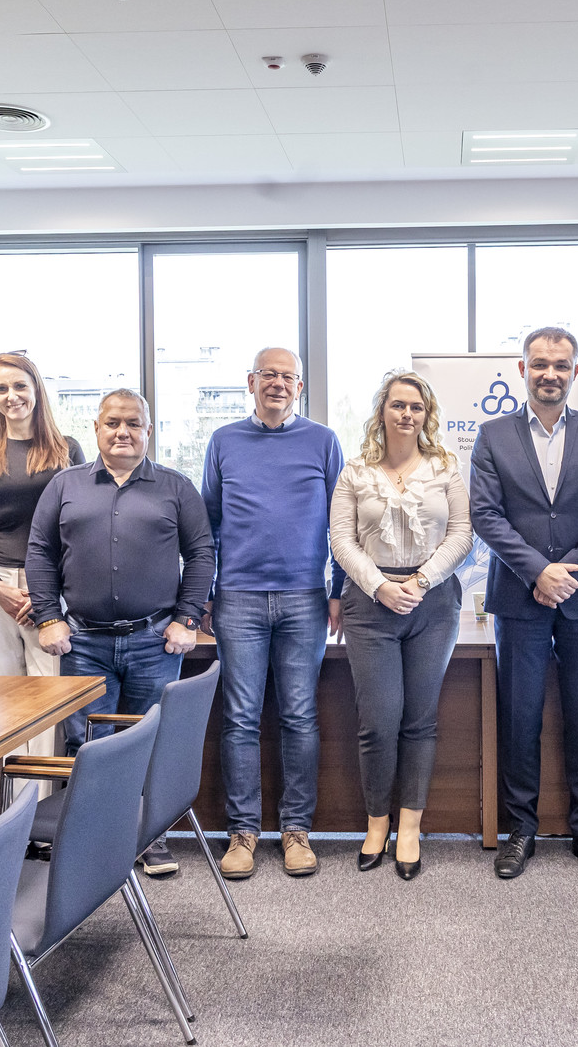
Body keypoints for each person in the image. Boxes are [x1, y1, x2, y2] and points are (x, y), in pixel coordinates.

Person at [26, 389, 214, 876]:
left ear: (148, 430)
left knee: (148, 741)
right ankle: (92, 842)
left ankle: (148, 839)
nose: (122, 432)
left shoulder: (175, 487)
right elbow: (40, 552)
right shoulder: (65, 486)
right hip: (82, 642)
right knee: (87, 746)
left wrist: (188, 619)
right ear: (96, 428)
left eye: (133, 423)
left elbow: (201, 553)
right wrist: (47, 616)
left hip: (155, 640)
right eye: (112, 423)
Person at [470, 326, 578, 881]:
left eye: (561, 365)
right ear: (523, 369)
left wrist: (566, 574)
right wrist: (538, 570)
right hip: (519, 597)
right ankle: (521, 829)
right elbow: (486, 514)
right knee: (520, 717)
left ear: (575, 371)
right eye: (539, 364)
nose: (550, 374)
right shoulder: (493, 436)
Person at [201, 347, 344, 880]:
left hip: (305, 597)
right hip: (237, 598)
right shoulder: (223, 441)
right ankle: (243, 832)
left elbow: (343, 524)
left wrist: (338, 590)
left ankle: (296, 830)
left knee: (299, 715)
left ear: (299, 387)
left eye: (288, 377)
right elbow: (208, 525)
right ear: (251, 382)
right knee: (239, 717)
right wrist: (206, 594)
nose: (278, 384)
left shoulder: (323, 441)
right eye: (269, 375)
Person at [331, 371, 473, 881]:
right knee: (378, 720)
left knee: (420, 719)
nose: (407, 414)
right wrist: (380, 586)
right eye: (398, 405)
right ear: (382, 411)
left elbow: (462, 533)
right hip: (370, 604)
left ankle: (410, 827)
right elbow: (341, 541)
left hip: (432, 603)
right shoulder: (356, 471)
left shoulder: (445, 468)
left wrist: (422, 580)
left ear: (426, 414)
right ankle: (377, 824)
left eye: (416, 406)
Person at [0, 353, 84, 758]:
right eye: (1, 389)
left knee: (48, 696)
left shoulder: (67, 449)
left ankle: (40, 795)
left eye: (19, 386)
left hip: (49, 589)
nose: (11, 396)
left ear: (36, 390)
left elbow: (80, 530)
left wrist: (49, 593)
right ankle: (1, 795)